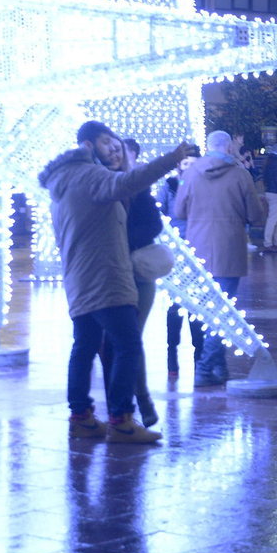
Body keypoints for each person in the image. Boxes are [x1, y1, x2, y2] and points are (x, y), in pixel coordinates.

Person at [39, 121, 195, 445]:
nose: (113, 147)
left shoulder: (63, 182)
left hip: (79, 280)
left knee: (83, 347)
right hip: (106, 278)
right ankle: (122, 419)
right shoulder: (90, 175)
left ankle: (81, 417)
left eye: (115, 142)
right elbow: (131, 181)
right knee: (128, 345)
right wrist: (170, 159)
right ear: (87, 147)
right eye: (106, 141)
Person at [174, 130, 265, 386]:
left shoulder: (190, 174)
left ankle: (220, 367)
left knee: (209, 312)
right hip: (229, 250)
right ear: (227, 148)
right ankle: (205, 368)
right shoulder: (241, 175)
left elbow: (178, 210)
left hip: (198, 250)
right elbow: (255, 214)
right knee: (223, 312)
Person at [114, 138, 164, 427]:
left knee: (131, 338)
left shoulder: (138, 188)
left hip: (139, 272)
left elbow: (154, 224)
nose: (116, 155)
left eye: (119, 151)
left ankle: (140, 398)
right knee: (118, 342)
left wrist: (124, 240)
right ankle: (122, 406)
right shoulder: (95, 187)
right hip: (107, 274)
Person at [157, 156, 204, 379]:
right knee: (175, 303)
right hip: (176, 251)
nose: (190, 168)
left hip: (200, 249)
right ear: (178, 166)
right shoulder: (168, 186)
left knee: (198, 305)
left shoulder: (205, 186)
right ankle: (171, 354)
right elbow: (160, 215)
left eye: (194, 163)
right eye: (186, 163)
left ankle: (199, 355)